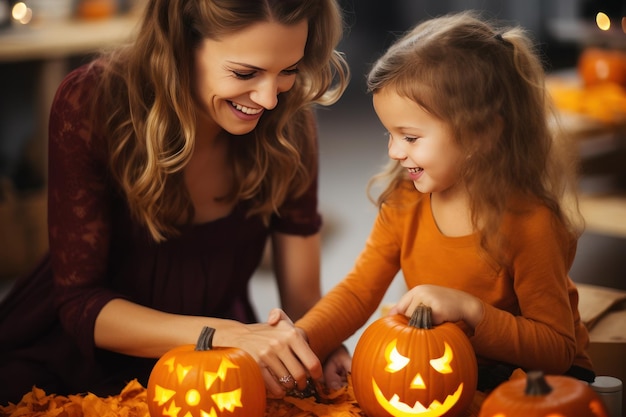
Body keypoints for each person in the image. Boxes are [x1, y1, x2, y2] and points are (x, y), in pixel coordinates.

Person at [0, 0, 349, 403]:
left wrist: (321, 345)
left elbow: (303, 300)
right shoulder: (90, 101)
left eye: (288, 70)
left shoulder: (289, 123)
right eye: (245, 73)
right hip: (72, 361)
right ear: (181, 44)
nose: (270, 99)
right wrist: (226, 335)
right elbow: (79, 303)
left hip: (214, 366)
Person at [293, 10, 595, 393]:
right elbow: (357, 292)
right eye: (389, 134)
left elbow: (557, 349)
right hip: (452, 364)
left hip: (536, 378)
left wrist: (470, 310)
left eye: (410, 137)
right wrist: (299, 342)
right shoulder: (405, 201)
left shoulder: (531, 221)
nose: (395, 151)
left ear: (481, 134)